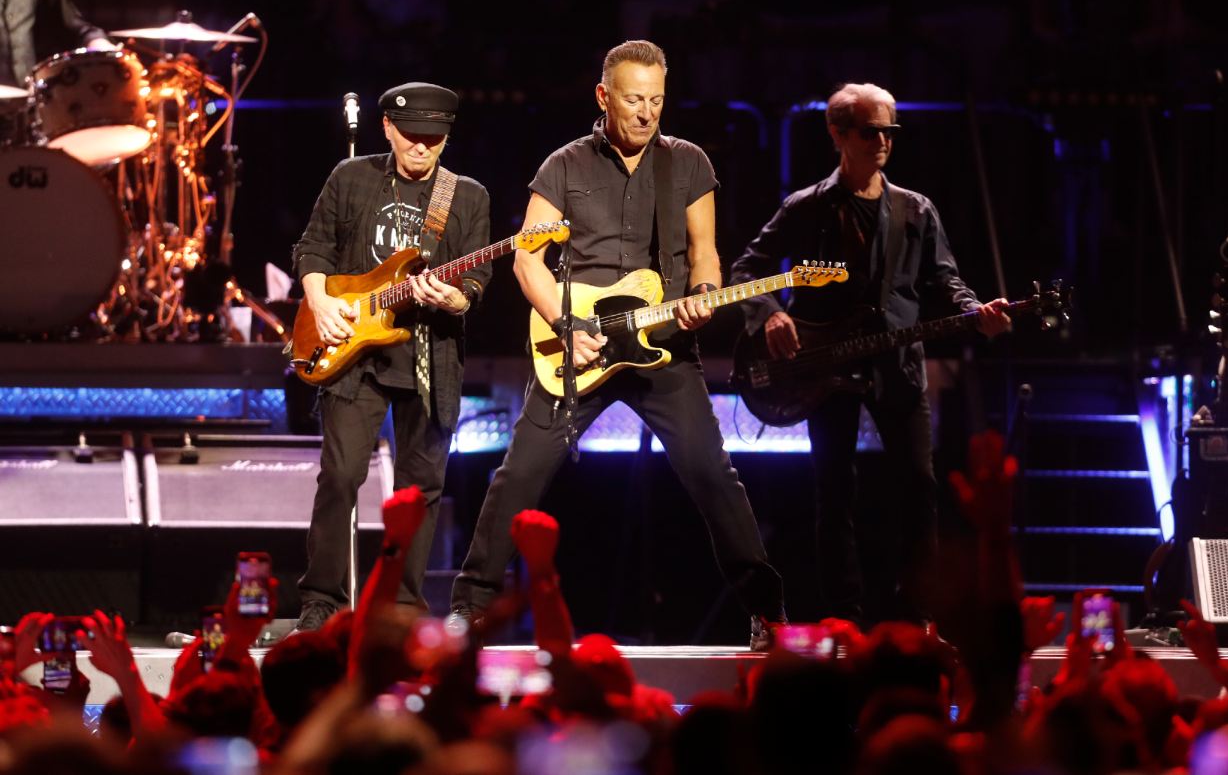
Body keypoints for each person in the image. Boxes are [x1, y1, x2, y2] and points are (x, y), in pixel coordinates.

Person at [449, 39, 785, 649]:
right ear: (604, 96)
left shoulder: (687, 164)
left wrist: (705, 293)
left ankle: (769, 612)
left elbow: (705, 252)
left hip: (662, 345)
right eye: (633, 100)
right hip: (580, 346)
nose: (646, 113)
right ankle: (469, 608)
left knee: (714, 475)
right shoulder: (565, 166)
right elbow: (527, 264)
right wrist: (565, 327)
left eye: (656, 100)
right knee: (518, 475)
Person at [729, 82, 1009, 626]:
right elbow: (745, 271)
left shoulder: (915, 209)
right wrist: (770, 314)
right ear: (838, 135)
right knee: (833, 491)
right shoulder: (807, 207)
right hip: (824, 369)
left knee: (919, 490)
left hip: (896, 365)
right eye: (869, 131)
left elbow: (945, 279)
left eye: (889, 131)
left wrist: (976, 310)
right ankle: (842, 617)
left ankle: (917, 618)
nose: (882, 141)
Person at [293, 82, 492, 630]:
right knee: (340, 474)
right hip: (353, 351)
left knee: (420, 490)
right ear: (386, 128)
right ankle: (322, 603)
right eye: (411, 137)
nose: (421, 149)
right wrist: (322, 301)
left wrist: (456, 296)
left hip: (430, 357)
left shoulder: (466, 196)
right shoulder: (350, 177)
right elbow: (313, 249)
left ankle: (402, 609)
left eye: (434, 139)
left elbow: (477, 276)